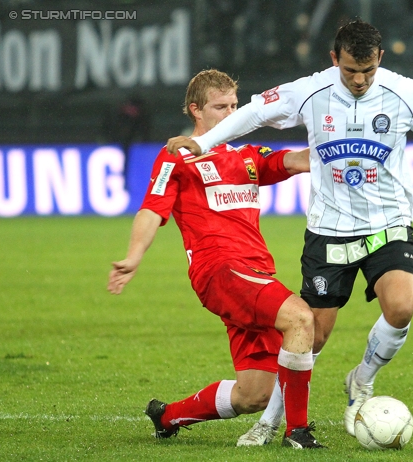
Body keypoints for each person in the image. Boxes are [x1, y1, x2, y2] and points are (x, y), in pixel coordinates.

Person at [165, 19, 413, 443]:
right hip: (329, 232)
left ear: (381, 60)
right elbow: (253, 113)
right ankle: (270, 420)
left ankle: (363, 377)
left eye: (368, 71)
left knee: (402, 307)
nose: (359, 80)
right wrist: (205, 144)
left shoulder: (403, 92)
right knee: (310, 337)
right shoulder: (311, 90)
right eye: (351, 71)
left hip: (387, 225)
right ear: (335, 59)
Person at [107, 69, 325, 449]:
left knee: (253, 394)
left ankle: (167, 416)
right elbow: (151, 210)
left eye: (235, 106)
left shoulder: (246, 158)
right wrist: (133, 256)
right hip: (220, 271)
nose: (231, 114)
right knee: (302, 318)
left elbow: (296, 161)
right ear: (196, 110)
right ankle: (298, 433)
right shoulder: (178, 156)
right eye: (220, 107)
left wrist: (341, 143)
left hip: (252, 274)